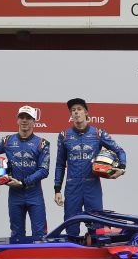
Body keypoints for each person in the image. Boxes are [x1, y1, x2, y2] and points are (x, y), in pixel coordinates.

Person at [54, 98, 126, 236]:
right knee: (71, 227)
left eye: (79, 109)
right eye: (73, 110)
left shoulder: (98, 133)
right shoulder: (64, 136)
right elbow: (60, 164)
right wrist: (57, 189)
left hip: (92, 185)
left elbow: (120, 151)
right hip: (72, 186)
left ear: (86, 112)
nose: (76, 113)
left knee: (97, 228)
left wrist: (121, 168)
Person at [0, 105, 50, 241]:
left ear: (34, 121)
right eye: (22, 117)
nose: (24, 120)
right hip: (15, 195)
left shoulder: (42, 143)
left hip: (34, 195)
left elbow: (44, 170)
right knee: (16, 235)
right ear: (17, 120)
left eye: (28, 118)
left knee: (40, 235)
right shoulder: (7, 141)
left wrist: (23, 183)